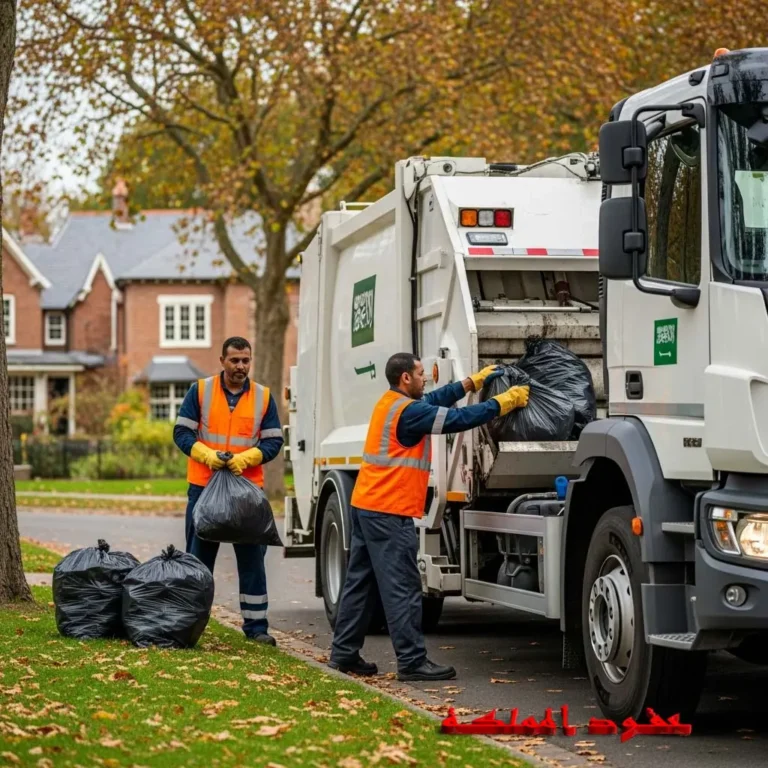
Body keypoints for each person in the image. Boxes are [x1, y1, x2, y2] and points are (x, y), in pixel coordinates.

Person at [329, 353, 529, 681]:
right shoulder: (409, 414)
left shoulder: (391, 402)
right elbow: (457, 420)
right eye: (421, 374)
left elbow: (435, 399)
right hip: (389, 512)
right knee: (404, 587)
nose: (426, 379)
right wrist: (501, 404)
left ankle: (344, 653)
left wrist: (471, 383)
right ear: (406, 378)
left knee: (359, 584)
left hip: (367, 505)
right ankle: (412, 662)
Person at [173, 336, 284, 646]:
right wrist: (206, 455)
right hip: (204, 488)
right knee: (198, 560)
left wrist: (247, 458)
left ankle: (257, 628)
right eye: (234, 360)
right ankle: (190, 621)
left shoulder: (263, 397)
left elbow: (274, 440)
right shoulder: (201, 391)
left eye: (245, 360)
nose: (240, 366)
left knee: (252, 560)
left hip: (246, 491)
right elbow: (181, 432)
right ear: (222, 361)